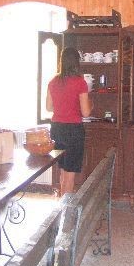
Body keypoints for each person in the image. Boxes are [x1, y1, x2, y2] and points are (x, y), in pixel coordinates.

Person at [46, 47, 93, 195]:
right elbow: (86, 112)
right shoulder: (80, 82)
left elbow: (48, 107)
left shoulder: (53, 81)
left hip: (56, 129)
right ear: (76, 62)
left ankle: (62, 202)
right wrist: (91, 104)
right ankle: (66, 207)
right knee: (70, 173)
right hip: (73, 130)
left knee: (62, 171)